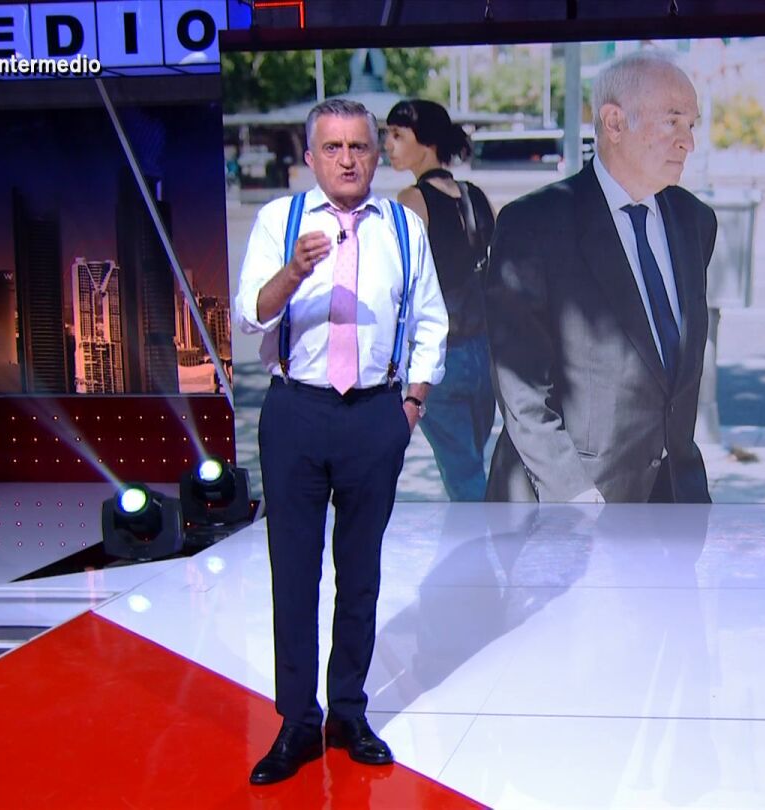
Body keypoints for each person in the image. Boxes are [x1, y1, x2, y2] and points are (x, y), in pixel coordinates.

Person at [233, 98, 447, 785]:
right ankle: (297, 721)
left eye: (359, 146)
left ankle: (348, 712)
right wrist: (294, 271)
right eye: (333, 147)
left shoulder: (404, 227)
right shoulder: (280, 221)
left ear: (376, 156)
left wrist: (411, 404)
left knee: (360, 575)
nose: (347, 159)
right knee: (294, 575)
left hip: (375, 415)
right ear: (310, 157)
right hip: (296, 412)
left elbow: (432, 321)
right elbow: (250, 313)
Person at [484, 50, 717, 504]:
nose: (688, 142)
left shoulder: (695, 221)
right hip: (571, 500)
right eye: (673, 122)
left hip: (675, 500)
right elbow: (521, 387)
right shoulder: (534, 224)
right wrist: (572, 492)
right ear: (614, 123)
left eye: (691, 125)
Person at [385, 99, 497, 502]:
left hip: (442, 355)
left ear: (427, 141)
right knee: (472, 467)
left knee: (464, 478)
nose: (388, 145)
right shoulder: (476, 195)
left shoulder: (412, 199)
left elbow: (400, 282)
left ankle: (487, 542)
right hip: (485, 354)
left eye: (397, 135)